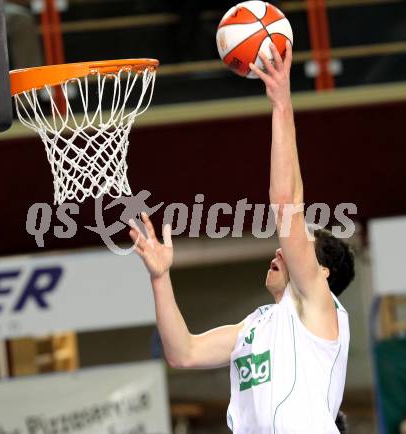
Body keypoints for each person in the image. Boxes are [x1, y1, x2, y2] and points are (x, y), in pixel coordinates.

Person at [129, 41, 355, 434]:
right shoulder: (254, 327)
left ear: (323, 273)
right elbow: (184, 352)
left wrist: (282, 104)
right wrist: (160, 277)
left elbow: (287, 203)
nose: (282, 251)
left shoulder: (320, 309)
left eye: (298, 248)